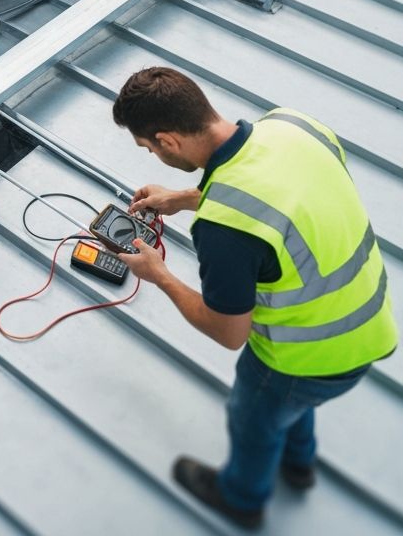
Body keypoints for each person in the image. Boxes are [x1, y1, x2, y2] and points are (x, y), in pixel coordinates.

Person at [111, 66, 397, 530]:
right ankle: (300, 465)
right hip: (369, 325)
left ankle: (241, 498)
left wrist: (159, 275)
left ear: (168, 140)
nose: (153, 156)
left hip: (300, 355)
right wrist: (186, 197)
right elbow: (279, 195)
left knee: (255, 419)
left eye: (149, 148)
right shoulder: (293, 126)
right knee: (294, 407)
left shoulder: (223, 232)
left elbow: (228, 333)